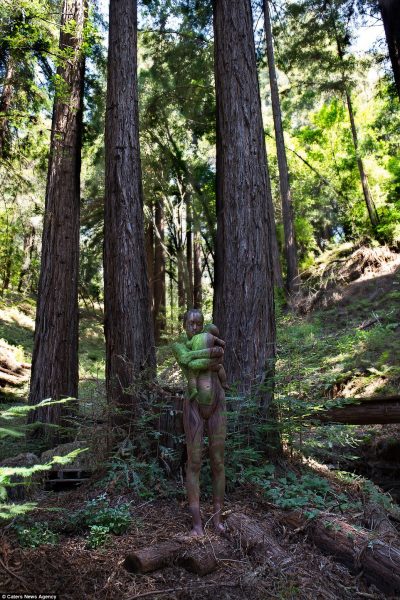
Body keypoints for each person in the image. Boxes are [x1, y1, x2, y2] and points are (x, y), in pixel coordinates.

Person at [172, 308, 227, 536]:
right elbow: (188, 361)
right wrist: (210, 360)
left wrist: (213, 359)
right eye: (190, 324)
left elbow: (220, 355)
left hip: (218, 403)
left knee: (218, 461)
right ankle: (197, 523)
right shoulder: (178, 345)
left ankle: (217, 518)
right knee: (194, 462)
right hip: (194, 406)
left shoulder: (205, 338)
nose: (194, 327)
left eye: (198, 324)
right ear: (184, 324)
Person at [185, 322, 228, 401]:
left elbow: (188, 344)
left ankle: (193, 390)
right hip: (208, 363)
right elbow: (223, 343)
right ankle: (224, 383)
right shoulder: (213, 337)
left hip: (196, 363)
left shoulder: (195, 337)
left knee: (192, 376)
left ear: (204, 329)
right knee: (220, 367)